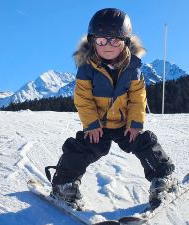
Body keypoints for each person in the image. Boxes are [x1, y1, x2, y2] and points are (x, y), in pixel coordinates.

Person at [50, 8, 177, 205]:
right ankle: (63, 184)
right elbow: (82, 98)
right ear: (93, 41)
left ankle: (163, 178)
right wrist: (91, 124)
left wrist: (135, 123)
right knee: (82, 147)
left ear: (125, 41)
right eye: (101, 41)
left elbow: (137, 96)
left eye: (114, 40)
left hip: (123, 123)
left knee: (145, 142)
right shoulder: (87, 68)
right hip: (98, 126)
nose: (107, 46)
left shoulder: (133, 68)